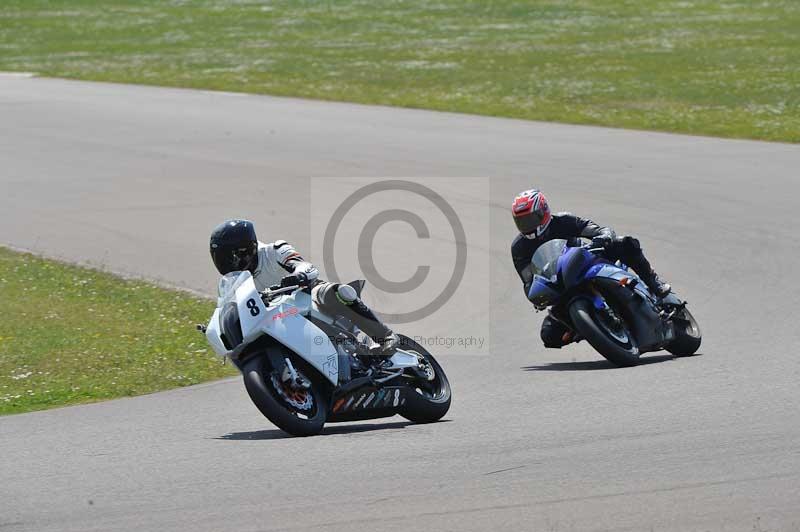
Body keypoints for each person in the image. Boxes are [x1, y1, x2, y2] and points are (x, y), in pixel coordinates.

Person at [510, 189, 671, 349]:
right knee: (549, 335)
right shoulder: (519, 248)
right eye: (522, 222)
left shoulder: (563, 221)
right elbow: (528, 281)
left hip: (586, 262)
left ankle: (654, 283)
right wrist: (536, 296)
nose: (527, 226)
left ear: (543, 212)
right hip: (560, 286)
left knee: (625, 243)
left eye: (530, 219)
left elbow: (593, 228)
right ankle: (589, 328)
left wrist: (603, 236)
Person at [209, 219, 399, 354]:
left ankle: (384, 335)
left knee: (334, 292)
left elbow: (305, 266)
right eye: (221, 258)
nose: (225, 263)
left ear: (245, 249)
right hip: (277, 317)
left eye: (229, 257)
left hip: (306, 296)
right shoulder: (235, 283)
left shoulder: (273, 251)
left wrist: (298, 276)